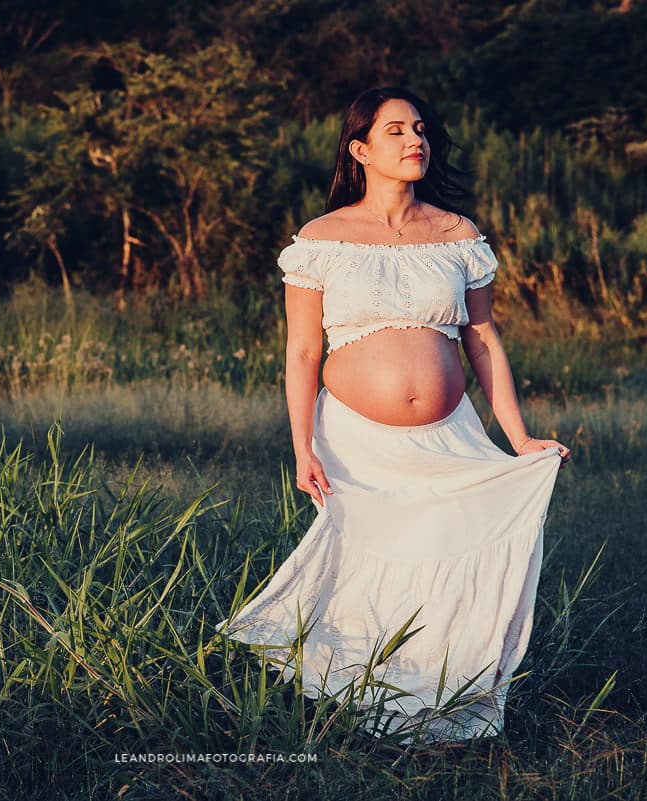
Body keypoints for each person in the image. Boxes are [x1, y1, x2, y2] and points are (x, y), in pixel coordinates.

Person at [217, 87, 570, 743]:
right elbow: (301, 350)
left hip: (450, 433)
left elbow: (484, 338)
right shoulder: (322, 239)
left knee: (446, 563)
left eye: (420, 130)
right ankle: (355, 709)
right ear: (359, 150)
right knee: (367, 568)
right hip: (354, 436)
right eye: (396, 131)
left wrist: (519, 438)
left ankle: (437, 708)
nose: (416, 140)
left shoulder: (457, 234)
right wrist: (302, 448)